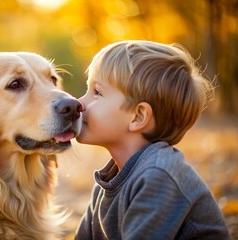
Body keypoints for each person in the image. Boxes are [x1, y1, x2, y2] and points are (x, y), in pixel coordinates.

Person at [75, 40, 231, 239]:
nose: (79, 103)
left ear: (138, 117)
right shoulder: (105, 184)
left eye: (97, 92)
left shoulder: (159, 176)